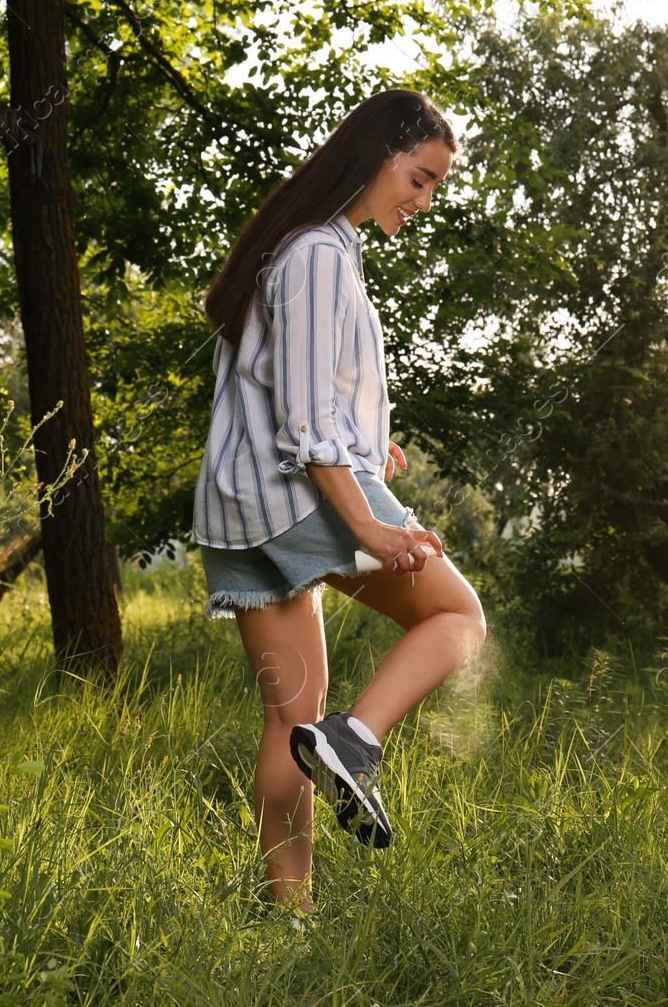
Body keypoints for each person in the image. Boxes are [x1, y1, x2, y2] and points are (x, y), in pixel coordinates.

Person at [192, 89, 487, 913]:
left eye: (434, 187)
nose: (423, 201)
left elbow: (289, 392)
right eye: (419, 178)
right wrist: (366, 522)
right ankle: (359, 740)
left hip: (241, 509)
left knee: (291, 715)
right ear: (375, 155)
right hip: (297, 500)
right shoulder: (322, 251)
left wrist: (366, 447)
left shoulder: (290, 246)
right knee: (458, 617)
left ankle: (290, 916)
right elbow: (305, 419)